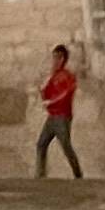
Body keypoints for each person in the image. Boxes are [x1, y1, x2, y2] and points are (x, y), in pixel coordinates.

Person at [37, 44, 84, 178]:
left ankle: (78, 174)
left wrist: (52, 102)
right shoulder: (53, 76)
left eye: (56, 58)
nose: (54, 61)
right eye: (53, 58)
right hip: (52, 116)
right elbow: (45, 96)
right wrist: (44, 86)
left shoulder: (68, 76)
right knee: (41, 144)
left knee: (66, 146)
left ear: (62, 59)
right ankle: (40, 176)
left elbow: (66, 94)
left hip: (62, 117)